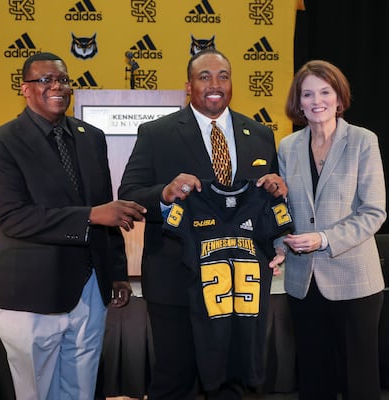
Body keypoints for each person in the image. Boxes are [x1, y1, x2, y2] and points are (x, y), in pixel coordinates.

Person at [118, 48, 287, 399]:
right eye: (204, 76)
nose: (215, 84)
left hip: (239, 286)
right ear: (188, 86)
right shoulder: (156, 133)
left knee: (234, 380)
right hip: (175, 278)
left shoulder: (259, 133)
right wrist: (164, 194)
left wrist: (278, 190)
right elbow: (130, 194)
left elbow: (270, 203)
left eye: (223, 76)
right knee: (174, 379)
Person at [0, 52, 146, 400]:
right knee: (36, 392)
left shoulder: (91, 136)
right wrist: (89, 216)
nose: (57, 86)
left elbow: (106, 208)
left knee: (80, 389)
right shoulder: (0, 143)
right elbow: (12, 217)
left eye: (63, 80)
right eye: (45, 80)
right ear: (25, 89)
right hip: (31, 292)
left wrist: (116, 273)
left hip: (89, 289)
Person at [273, 59, 387, 400]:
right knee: (312, 377)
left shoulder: (363, 141)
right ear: (298, 102)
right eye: (307, 94)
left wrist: (323, 239)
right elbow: (283, 208)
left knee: (358, 381)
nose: (316, 100)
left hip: (354, 280)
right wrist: (280, 244)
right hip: (302, 281)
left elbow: (373, 211)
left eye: (325, 91)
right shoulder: (288, 147)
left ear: (339, 98)